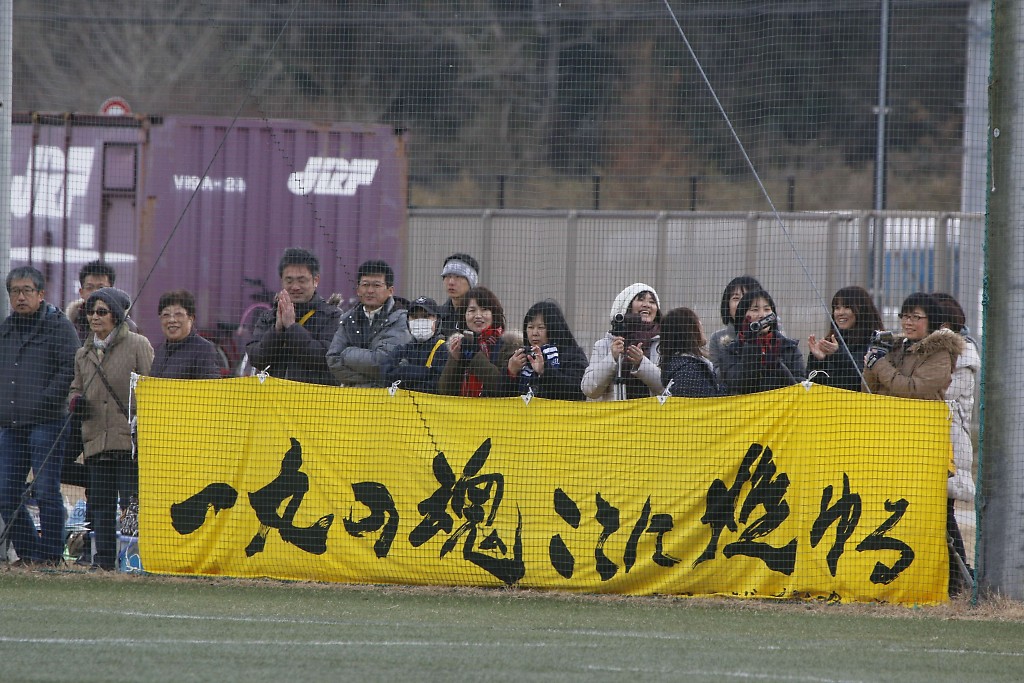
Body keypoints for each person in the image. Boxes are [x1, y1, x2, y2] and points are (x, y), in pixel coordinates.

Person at [861, 292, 965, 593]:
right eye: (905, 316)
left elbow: (913, 389)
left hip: (924, 445)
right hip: (889, 439)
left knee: (938, 514)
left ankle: (956, 580)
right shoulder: (897, 348)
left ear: (931, 322)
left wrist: (881, 366)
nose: (908, 322)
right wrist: (873, 359)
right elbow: (869, 388)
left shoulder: (940, 354)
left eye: (916, 317)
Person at [68, 287, 154, 570]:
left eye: (101, 312)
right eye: (90, 312)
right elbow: (75, 388)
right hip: (96, 439)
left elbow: (151, 387)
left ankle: (132, 561)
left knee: (132, 504)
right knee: (101, 505)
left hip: (128, 442)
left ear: (115, 316)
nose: (94, 317)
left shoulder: (138, 345)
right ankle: (103, 561)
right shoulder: (83, 353)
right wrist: (75, 401)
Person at [0, 266, 80, 565]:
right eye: (15, 291)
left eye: (27, 291)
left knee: (46, 490)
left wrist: (45, 401)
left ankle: (51, 558)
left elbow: (70, 369)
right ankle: (30, 554)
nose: (20, 297)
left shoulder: (59, 326)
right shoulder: (7, 329)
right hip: (11, 424)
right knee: (5, 492)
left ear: (41, 294)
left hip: (48, 421)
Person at [933, 291, 981, 576]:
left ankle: (961, 576)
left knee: (945, 514)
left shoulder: (963, 359)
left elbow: (940, 394)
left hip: (950, 445)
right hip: (929, 444)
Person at [246, 247, 341, 386]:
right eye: (289, 281)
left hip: (314, 397)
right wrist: (277, 330)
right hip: (275, 397)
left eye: (302, 280)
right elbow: (257, 358)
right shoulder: (269, 317)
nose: (295, 287)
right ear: (282, 281)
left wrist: (292, 327)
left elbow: (326, 358)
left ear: (316, 280)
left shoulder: (332, 316)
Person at [327, 260, 412, 387]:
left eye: (376, 285)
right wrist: (370, 381)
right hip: (352, 396)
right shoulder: (348, 318)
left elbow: (383, 361)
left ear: (390, 291)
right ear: (358, 290)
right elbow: (333, 359)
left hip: (387, 395)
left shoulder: (401, 319)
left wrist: (347, 353)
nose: (370, 290)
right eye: (365, 285)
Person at [581, 283, 663, 401]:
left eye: (652, 302)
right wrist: (612, 358)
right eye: (640, 300)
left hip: (651, 412)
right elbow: (589, 389)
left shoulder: (663, 344)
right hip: (615, 412)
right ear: (626, 305)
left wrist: (641, 363)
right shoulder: (604, 345)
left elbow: (667, 387)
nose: (647, 305)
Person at [719, 288, 806, 395]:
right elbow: (740, 385)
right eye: (755, 310)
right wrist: (751, 346)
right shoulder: (730, 351)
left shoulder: (790, 348)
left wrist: (777, 365)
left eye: (767, 309)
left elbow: (799, 390)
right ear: (743, 315)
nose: (762, 315)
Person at [438, 286, 520, 397]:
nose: (478, 316)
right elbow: (444, 391)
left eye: (484, 309)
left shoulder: (509, 344)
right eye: (472, 310)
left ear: (493, 313)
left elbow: (501, 387)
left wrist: (474, 355)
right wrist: (455, 359)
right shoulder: (460, 344)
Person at [806, 285, 883, 392]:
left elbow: (864, 383)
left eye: (847, 307)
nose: (840, 313)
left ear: (862, 310)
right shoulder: (830, 344)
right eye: (837, 308)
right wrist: (818, 360)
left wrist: (838, 354)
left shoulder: (877, 343)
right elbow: (812, 387)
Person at [506, 300, 587, 400]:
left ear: (554, 328)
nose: (534, 333)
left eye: (541, 327)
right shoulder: (519, 356)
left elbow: (578, 392)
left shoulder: (572, 355)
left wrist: (545, 371)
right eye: (530, 327)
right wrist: (510, 373)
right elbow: (498, 396)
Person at [150, 290, 224, 379]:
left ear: (191, 318)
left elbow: (211, 385)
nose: (172, 320)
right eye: (166, 315)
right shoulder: (160, 351)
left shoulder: (203, 349)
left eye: (178, 314)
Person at [382, 296, 449, 394]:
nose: (420, 321)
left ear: (437, 320)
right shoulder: (401, 349)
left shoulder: (444, 350)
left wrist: (403, 372)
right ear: (407, 322)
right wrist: (427, 372)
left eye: (426, 316)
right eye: (414, 317)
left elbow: (436, 385)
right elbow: (386, 377)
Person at [658, 307, 726, 398]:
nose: (701, 325)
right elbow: (710, 401)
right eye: (697, 322)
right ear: (689, 330)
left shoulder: (681, 364)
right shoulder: (688, 371)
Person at [65, 260, 137, 342]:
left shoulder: (127, 327)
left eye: (101, 288)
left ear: (111, 290)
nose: (95, 293)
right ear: (81, 292)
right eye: (89, 288)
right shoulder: (70, 327)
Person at [708, 275, 762, 373]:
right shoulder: (717, 338)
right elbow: (715, 376)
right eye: (736, 298)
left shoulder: (772, 334)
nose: (742, 303)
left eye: (747, 297)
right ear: (727, 304)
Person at [437, 253, 480, 337]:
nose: (451, 282)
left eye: (458, 277)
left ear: (471, 282)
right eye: (447, 276)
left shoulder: (480, 317)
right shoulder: (437, 315)